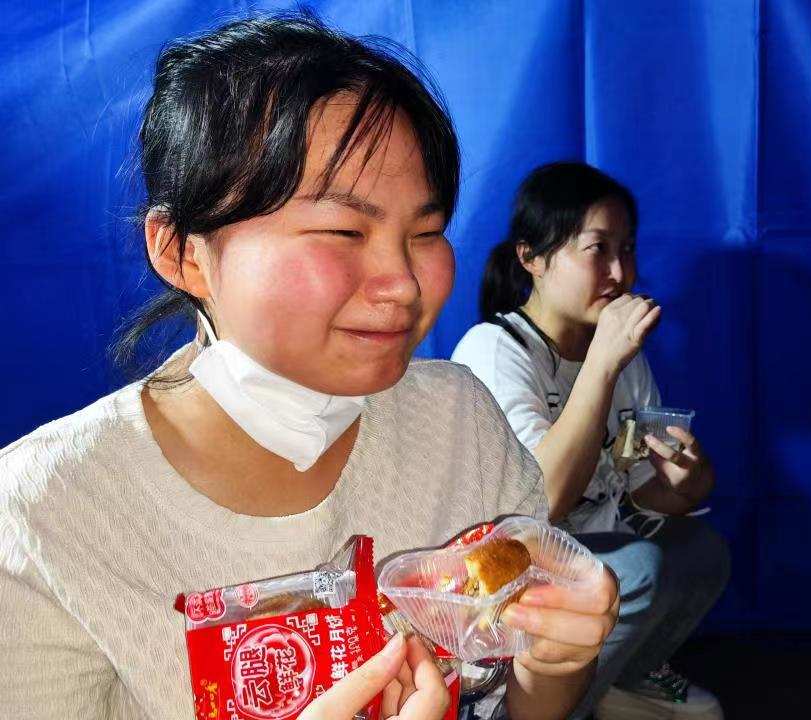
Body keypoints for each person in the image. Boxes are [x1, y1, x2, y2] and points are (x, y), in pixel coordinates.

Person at [0, 14, 616, 720]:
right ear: (182, 253)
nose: (404, 284)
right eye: (343, 230)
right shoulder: (43, 513)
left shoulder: (459, 420)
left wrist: (557, 660)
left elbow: (524, 703)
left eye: (425, 232)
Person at [451, 162, 730, 719]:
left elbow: (642, 494)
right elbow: (541, 503)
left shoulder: (623, 357)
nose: (619, 271)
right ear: (531, 257)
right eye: (597, 249)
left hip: (585, 550)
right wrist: (602, 361)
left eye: (627, 249)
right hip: (502, 572)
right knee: (636, 568)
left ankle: (626, 678)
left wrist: (688, 483)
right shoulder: (495, 349)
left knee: (702, 553)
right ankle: (536, 705)